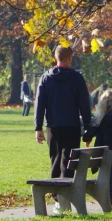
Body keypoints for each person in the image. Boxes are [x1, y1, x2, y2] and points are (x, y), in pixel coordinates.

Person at [34, 45, 92, 180]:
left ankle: (56, 196)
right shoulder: (77, 78)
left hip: (53, 125)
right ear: (70, 58)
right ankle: (65, 194)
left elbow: (40, 104)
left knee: (55, 159)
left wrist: (38, 127)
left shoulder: (46, 78)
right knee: (69, 161)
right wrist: (88, 129)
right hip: (72, 125)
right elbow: (84, 105)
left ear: (55, 57)